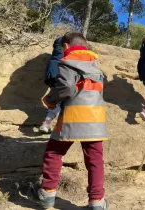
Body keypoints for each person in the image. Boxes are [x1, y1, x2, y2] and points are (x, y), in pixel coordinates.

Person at [32, 32, 109, 210]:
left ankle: (47, 195)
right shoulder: (96, 66)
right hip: (96, 118)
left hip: (72, 116)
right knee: (95, 161)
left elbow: (65, 87)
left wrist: (50, 100)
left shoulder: (67, 62)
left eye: (61, 48)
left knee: (54, 153)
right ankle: (97, 202)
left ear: (66, 46)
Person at [39, 37, 63, 134]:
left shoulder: (57, 43)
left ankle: (47, 123)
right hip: (61, 73)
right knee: (59, 102)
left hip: (51, 71)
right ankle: (47, 124)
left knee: (56, 100)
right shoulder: (71, 44)